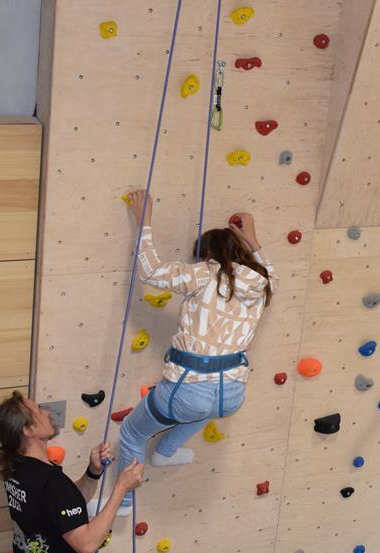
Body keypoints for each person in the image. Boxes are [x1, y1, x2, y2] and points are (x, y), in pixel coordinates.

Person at [110, 190, 276, 515]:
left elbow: (151, 272)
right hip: (231, 396)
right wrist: (253, 239)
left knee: (132, 433)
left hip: (188, 391)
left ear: (206, 255)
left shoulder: (203, 273)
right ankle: (167, 451)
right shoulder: (262, 282)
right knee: (202, 409)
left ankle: (124, 503)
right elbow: (270, 270)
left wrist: (144, 221)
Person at [0, 391, 143, 553]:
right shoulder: (49, 481)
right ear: (28, 430)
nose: (48, 412)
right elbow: (87, 544)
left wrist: (93, 472)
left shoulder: (18, 469)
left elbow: (62, 510)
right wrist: (121, 489)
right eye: (40, 411)